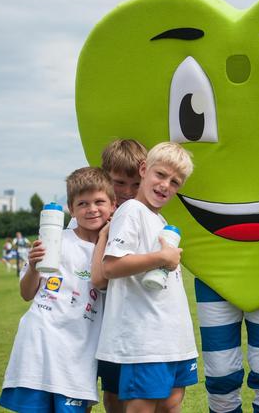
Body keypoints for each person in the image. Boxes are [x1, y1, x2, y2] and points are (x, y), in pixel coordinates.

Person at [0, 167, 116, 413]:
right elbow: (26, 293)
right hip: (39, 344)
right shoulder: (56, 240)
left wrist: (106, 236)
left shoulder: (114, 249)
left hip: (79, 354)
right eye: (82, 203)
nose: (92, 209)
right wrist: (33, 266)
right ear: (71, 210)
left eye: (99, 202)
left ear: (113, 205)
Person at [96, 142, 198, 413]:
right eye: (161, 175)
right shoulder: (131, 211)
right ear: (144, 169)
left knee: (171, 403)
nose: (166, 185)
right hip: (145, 339)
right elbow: (111, 267)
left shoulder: (160, 220)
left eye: (175, 182)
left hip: (171, 337)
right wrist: (162, 258)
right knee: (142, 406)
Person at [70, 138, 147, 413]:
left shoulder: (142, 217)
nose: (127, 192)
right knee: (86, 393)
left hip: (126, 324)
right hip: (84, 324)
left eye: (135, 184)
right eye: (119, 183)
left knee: (122, 395)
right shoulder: (85, 219)